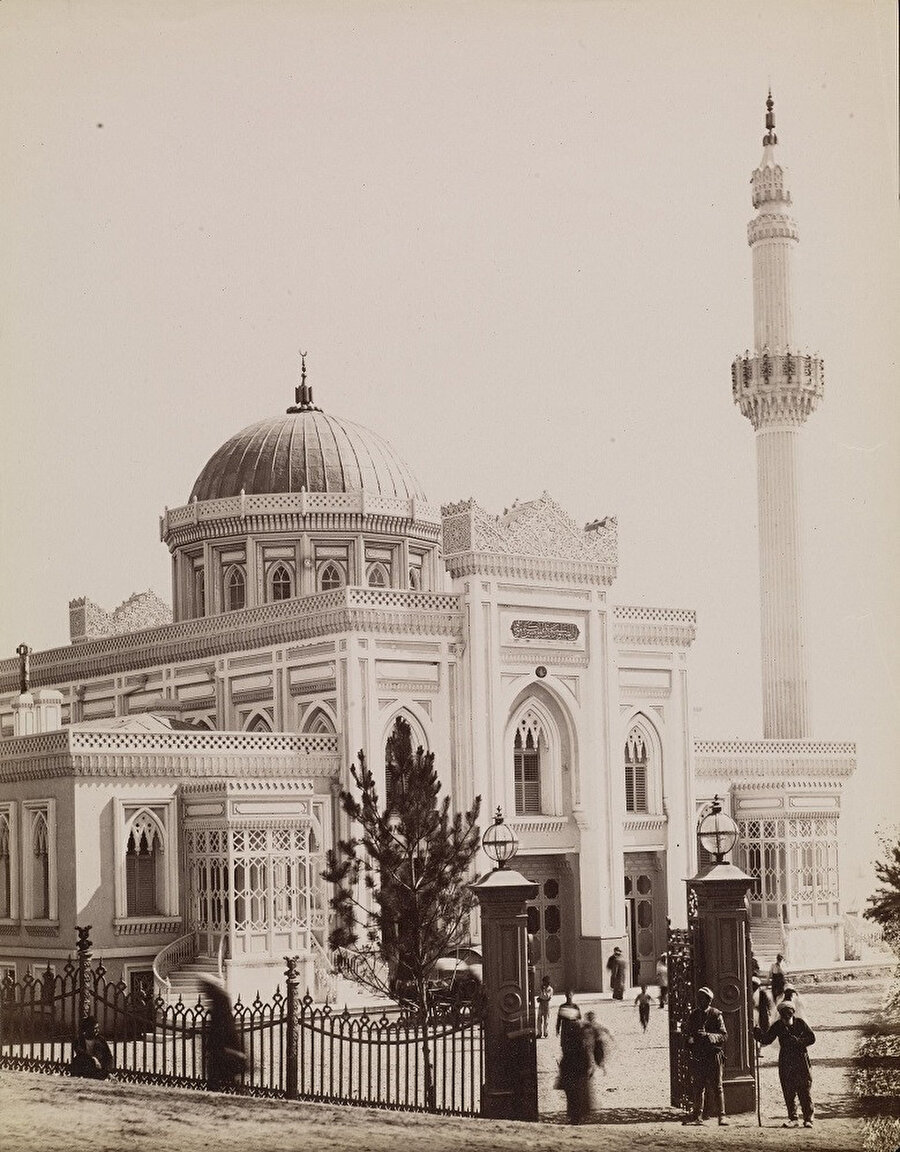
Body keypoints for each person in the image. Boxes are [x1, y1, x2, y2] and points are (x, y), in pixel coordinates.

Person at [755, 1001, 816, 1129]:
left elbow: (811, 1038)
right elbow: (767, 1039)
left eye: (789, 1013)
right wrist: (757, 1033)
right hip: (786, 1061)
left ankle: (808, 1118)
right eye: (783, 1014)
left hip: (801, 1060)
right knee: (789, 1090)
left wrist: (799, 1041)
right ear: (780, 1014)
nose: (786, 1016)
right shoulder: (778, 1026)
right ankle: (793, 1118)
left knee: (804, 1089)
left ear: (793, 1013)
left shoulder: (800, 1023)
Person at [682, 986, 728, 1126]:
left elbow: (724, 1035)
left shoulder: (716, 1014)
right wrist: (691, 1039)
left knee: (717, 1086)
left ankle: (722, 1115)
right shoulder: (694, 1015)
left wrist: (709, 1036)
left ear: (709, 1000)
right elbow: (688, 1033)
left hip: (713, 1054)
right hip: (699, 1055)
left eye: (704, 999)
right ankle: (697, 1115)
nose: (701, 1001)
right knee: (698, 1085)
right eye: (699, 998)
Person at [202, 975, 247, 1092]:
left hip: (222, 1044)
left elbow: (221, 1026)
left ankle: (236, 1090)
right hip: (222, 1043)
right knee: (223, 1073)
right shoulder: (220, 999)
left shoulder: (220, 1000)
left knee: (220, 1073)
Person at [556, 1007, 593, 1123]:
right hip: (578, 1065)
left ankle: (574, 1116)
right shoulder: (579, 1028)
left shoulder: (568, 1029)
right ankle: (578, 1116)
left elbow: (567, 1048)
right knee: (578, 1091)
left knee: (572, 1093)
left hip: (571, 1065)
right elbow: (585, 1047)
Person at [70, 1015, 114, 1080]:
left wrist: (108, 1071)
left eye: (97, 1028)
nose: (97, 1030)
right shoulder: (79, 1040)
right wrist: (93, 1058)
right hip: (84, 1067)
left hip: (98, 1069)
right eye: (94, 1028)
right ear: (87, 1029)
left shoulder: (101, 1040)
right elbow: (80, 1052)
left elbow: (108, 1056)